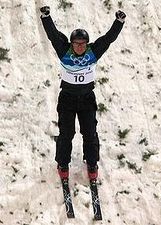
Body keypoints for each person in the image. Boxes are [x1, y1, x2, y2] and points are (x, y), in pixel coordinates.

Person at [40, 6, 126, 180]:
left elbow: (108, 39)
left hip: (87, 98)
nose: (79, 46)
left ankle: (92, 163)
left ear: (87, 44)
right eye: (76, 43)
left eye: (82, 43)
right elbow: (53, 35)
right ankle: (63, 163)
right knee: (67, 133)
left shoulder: (93, 53)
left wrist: (119, 22)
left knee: (90, 132)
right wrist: (46, 17)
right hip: (67, 99)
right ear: (71, 43)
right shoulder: (64, 52)